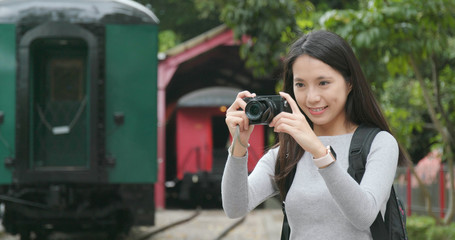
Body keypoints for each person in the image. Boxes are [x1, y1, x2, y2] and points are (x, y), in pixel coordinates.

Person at [222, 30, 407, 239]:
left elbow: (364, 216)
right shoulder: (286, 153)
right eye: (300, 84)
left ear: (349, 83)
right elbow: (235, 207)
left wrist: (319, 151)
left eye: (323, 83)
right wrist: (238, 145)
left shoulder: (379, 143)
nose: (311, 97)